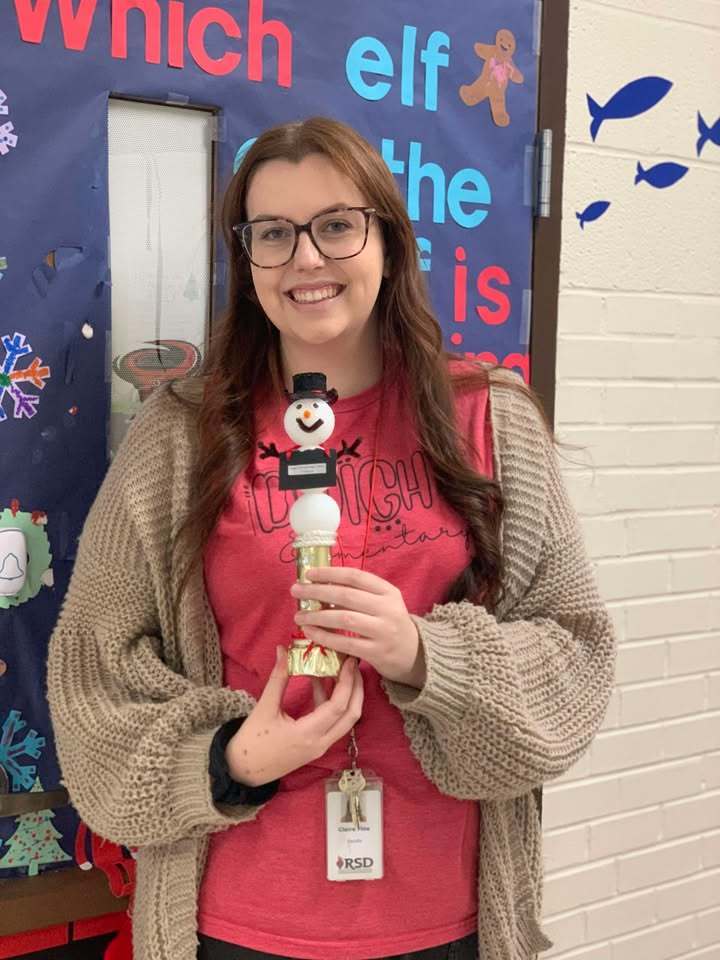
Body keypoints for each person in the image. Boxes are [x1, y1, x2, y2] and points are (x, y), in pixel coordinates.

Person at [47, 117, 616, 960]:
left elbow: (578, 655)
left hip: (447, 922)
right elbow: (90, 674)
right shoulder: (180, 437)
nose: (306, 259)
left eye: (337, 226)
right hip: (235, 924)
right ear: (245, 262)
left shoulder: (487, 418)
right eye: (272, 234)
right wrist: (231, 757)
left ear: (387, 240)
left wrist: (428, 656)